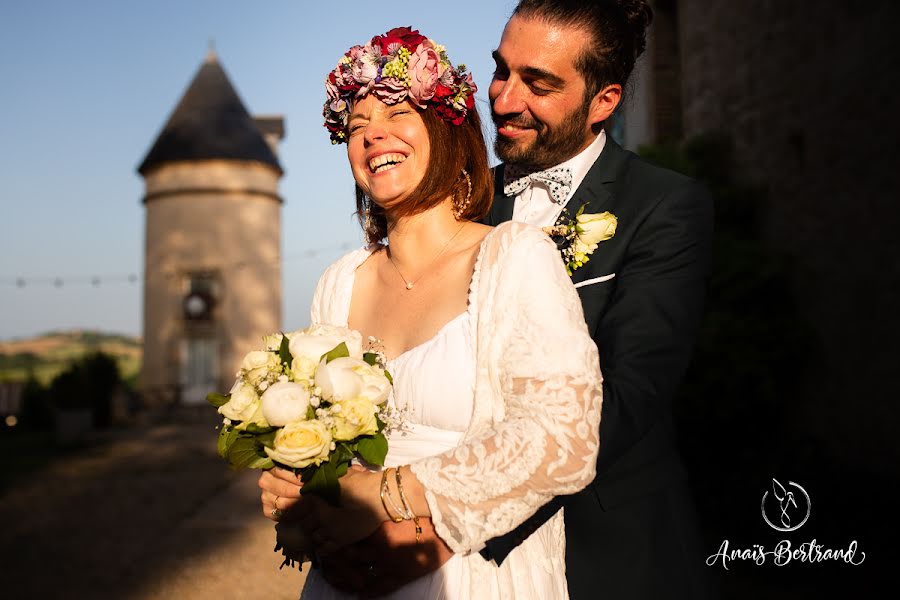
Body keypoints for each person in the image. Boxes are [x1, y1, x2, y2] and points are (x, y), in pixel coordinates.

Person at [317, 2, 718, 598]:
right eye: (501, 71)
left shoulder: (664, 207)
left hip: (609, 549)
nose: (503, 99)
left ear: (604, 101)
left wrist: (447, 524)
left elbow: (629, 396)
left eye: (539, 83)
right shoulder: (458, 207)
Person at [259, 26, 603, 599]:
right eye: (357, 128)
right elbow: (322, 439)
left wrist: (388, 494)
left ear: (445, 129)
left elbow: (562, 439)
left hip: (473, 575)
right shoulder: (339, 283)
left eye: (395, 114)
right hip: (347, 576)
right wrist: (294, 481)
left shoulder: (514, 258)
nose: (373, 137)